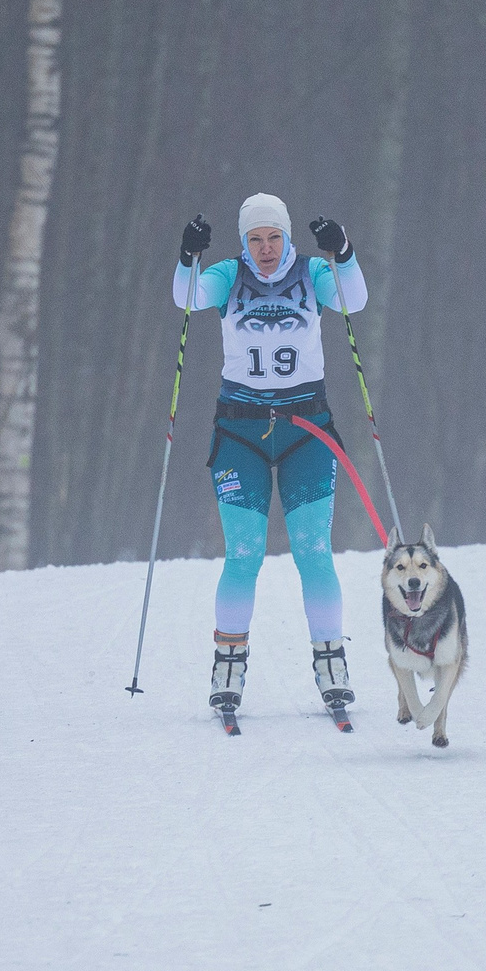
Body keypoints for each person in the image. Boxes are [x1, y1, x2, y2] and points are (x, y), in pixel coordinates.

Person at [172, 193, 368, 720]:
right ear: (243, 241)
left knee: (313, 550)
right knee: (243, 554)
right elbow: (185, 299)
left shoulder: (311, 273)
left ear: (287, 237)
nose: (264, 248)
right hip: (241, 432)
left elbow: (355, 301)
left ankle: (332, 662)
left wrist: (343, 251)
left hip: (307, 429)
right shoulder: (227, 275)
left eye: (273, 237)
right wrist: (186, 255)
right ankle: (228, 664)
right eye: (255, 239)